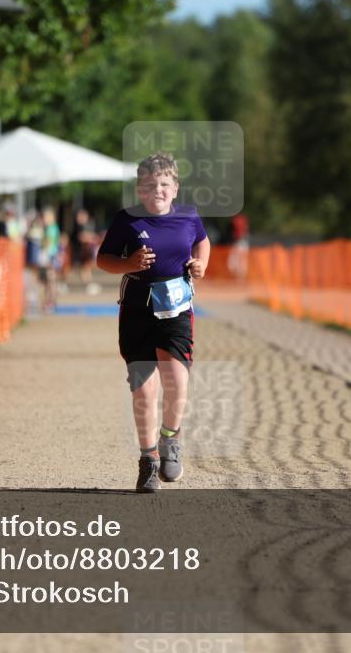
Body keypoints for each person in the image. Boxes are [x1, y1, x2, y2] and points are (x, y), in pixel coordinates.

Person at [96, 152, 210, 492]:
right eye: (149, 185)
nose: (157, 190)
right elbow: (103, 260)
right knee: (144, 391)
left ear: (175, 188)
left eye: (164, 184)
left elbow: (202, 242)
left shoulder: (189, 217)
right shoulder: (126, 221)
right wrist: (129, 262)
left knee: (177, 382)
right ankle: (148, 461)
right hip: (137, 311)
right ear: (139, 190)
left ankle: (170, 440)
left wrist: (200, 264)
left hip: (176, 311)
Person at [69, 208, 99, 290]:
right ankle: (88, 285)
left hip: (82, 251)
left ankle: (88, 284)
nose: (84, 218)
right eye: (82, 216)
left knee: (85, 267)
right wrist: (90, 238)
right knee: (79, 268)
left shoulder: (83, 226)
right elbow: (81, 237)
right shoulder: (77, 226)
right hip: (78, 251)